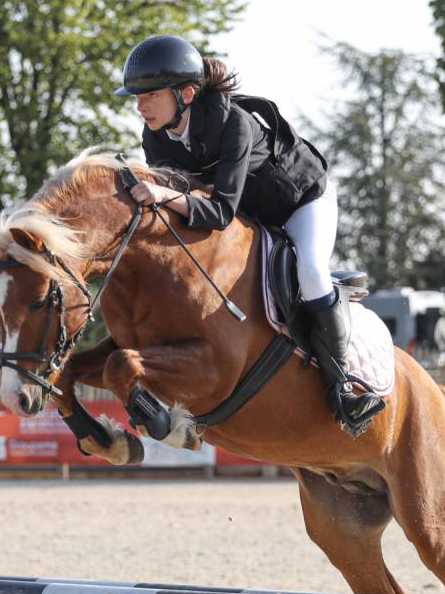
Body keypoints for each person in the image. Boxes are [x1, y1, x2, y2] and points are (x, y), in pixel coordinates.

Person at [115, 34, 384, 436]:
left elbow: (219, 210)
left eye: (150, 95)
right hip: (250, 216)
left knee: (310, 272)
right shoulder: (155, 135)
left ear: (186, 93)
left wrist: (165, 193)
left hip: (300, 202)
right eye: (136, 97)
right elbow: (185, 207)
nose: (140, 106)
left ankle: (343, 385)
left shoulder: (234, 123)